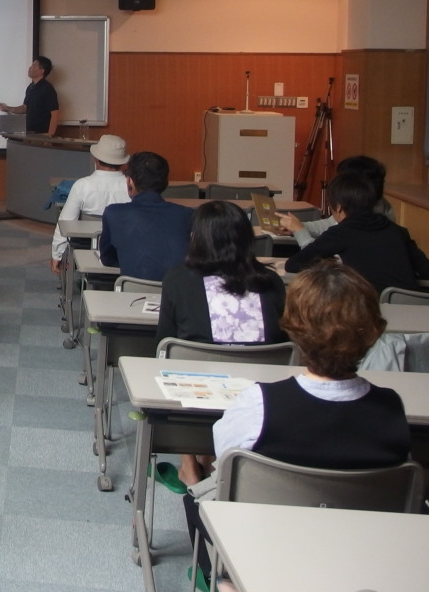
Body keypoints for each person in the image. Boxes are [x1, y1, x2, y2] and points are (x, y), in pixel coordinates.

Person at [185, 262, 410, 588]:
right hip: (362, 556)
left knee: (197, 499)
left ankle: (224, 582)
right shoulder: (391, 408)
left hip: (267, 547)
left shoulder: (260, 403)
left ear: (294, 327)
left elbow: (225, 455)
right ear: (371, 330)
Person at [155, 199, 287, 487]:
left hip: (194, 403)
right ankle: (209, 459)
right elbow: (283, 340)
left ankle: (189, 466)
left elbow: (164, 345)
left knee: (177, 361)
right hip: (261, 399)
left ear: (197, 239)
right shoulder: (272, 282)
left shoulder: (179, 279)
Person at [283, 170, 429, 293]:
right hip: (412, 307)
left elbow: (294, 264)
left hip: (368, 308)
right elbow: (426, 271)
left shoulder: (341, 232)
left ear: (338, 208)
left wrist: (328, 264)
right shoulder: (398, 231)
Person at [99, 151, 193, 281]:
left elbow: (107, 259)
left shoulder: (114, 213)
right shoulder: (187, 215)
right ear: (165, 183)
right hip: (175, 290)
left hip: (131, 290)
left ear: (129, 182)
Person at [50, 134, 131, 274]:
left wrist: (57, 254)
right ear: (122, 162)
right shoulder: (131, 186)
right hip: (121, 247)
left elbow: (66, 222)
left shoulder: (82, 185)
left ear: (96, 159)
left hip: (84, 244)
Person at [278, 154, 394, 246]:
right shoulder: (362, 205)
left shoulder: (369, 221)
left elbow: (316, 258)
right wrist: (297, 226)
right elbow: (330, 224)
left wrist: (300, 231)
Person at [0, 56, 60, 136]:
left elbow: (55, 113)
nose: (30, 68)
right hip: (29, 132)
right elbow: (25, 108)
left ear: (42, 71)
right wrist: (8, 108)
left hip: (41, 134)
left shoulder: (47, 88)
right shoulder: (30, 87)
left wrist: (50, 134)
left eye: (34, 65)